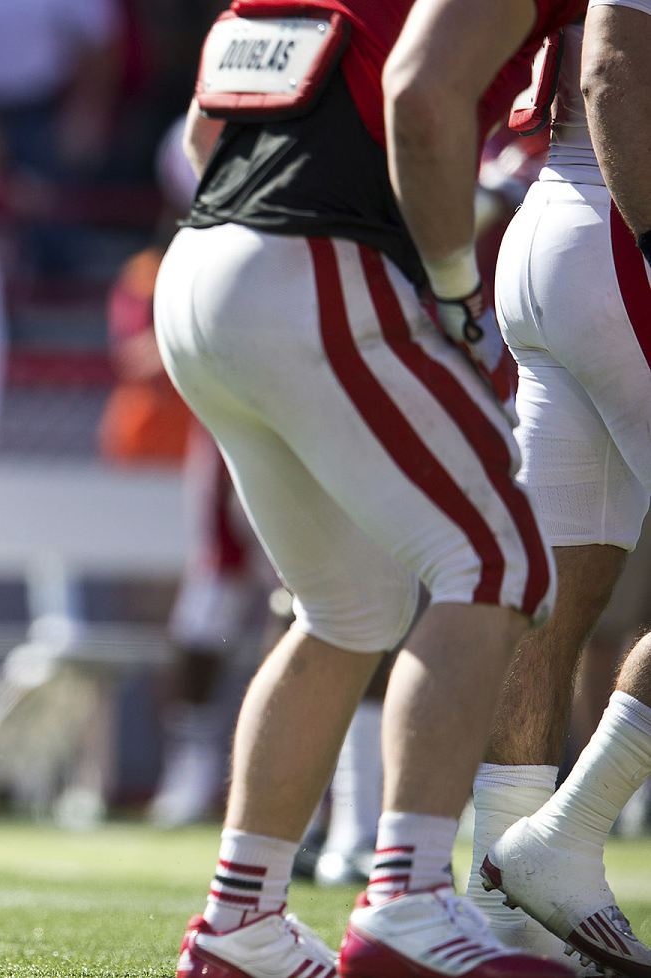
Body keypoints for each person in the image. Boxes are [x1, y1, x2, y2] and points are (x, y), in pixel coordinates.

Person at [155, 1, 583, 977]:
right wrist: (452, 289)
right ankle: (408, 893)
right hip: (316, 259)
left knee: (347, 608)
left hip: (205, 261)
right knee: (498, 559)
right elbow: (421, 95)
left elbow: (201, 129)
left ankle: (241, 920)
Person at [444, 1, 651, 973]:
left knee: (559, 589)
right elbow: (612, 65)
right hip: (620, 227)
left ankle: (504, 898)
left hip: (556, 222)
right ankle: (565, 835)